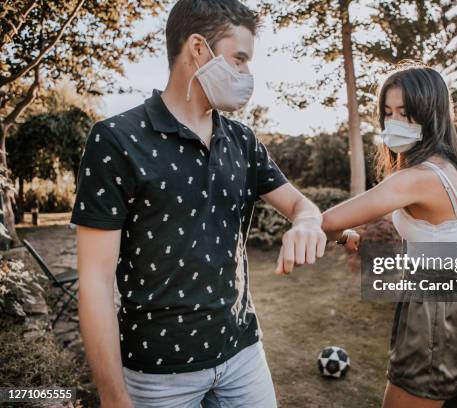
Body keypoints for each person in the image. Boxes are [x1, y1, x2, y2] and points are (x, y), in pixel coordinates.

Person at [71, 1, 327, 407]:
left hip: (243, 355)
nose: (247, 75)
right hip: (157, 374)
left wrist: (308, 222)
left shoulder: (243, 140)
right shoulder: (116, 139)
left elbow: (301, 205)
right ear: (197, 48)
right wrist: (113, 396)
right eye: (239, 60)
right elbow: (96, 282)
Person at [323, 63, 457, 408]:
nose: (394, 122)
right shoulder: (456, 166)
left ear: (431, 114)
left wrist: (341, 235)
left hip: (435, 324)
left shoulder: (416, 179)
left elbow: (327, 222)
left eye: (406, 113)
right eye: (388, 112)